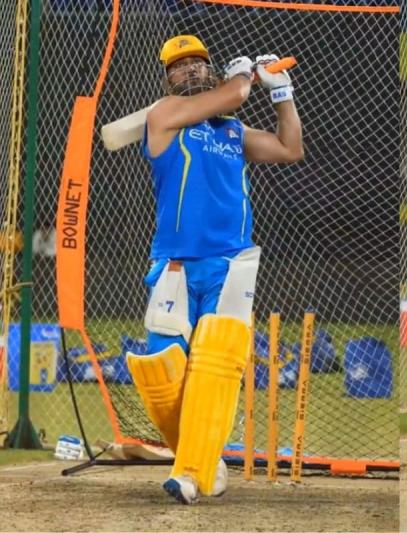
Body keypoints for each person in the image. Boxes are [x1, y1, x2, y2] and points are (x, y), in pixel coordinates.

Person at [125, 35, 303, 503]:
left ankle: (189, 472)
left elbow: (289, 149)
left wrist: (282, 94)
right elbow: (237, 93)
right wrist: (244, 77)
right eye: (179, 66)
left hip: (230, 264)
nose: (189, 70)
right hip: (174, 264)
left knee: (215, 369)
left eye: (197, 63)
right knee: (162, 373)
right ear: (167, 78)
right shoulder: (163, 114)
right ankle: (206, 458)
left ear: (209, 69)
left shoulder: (234, 132)